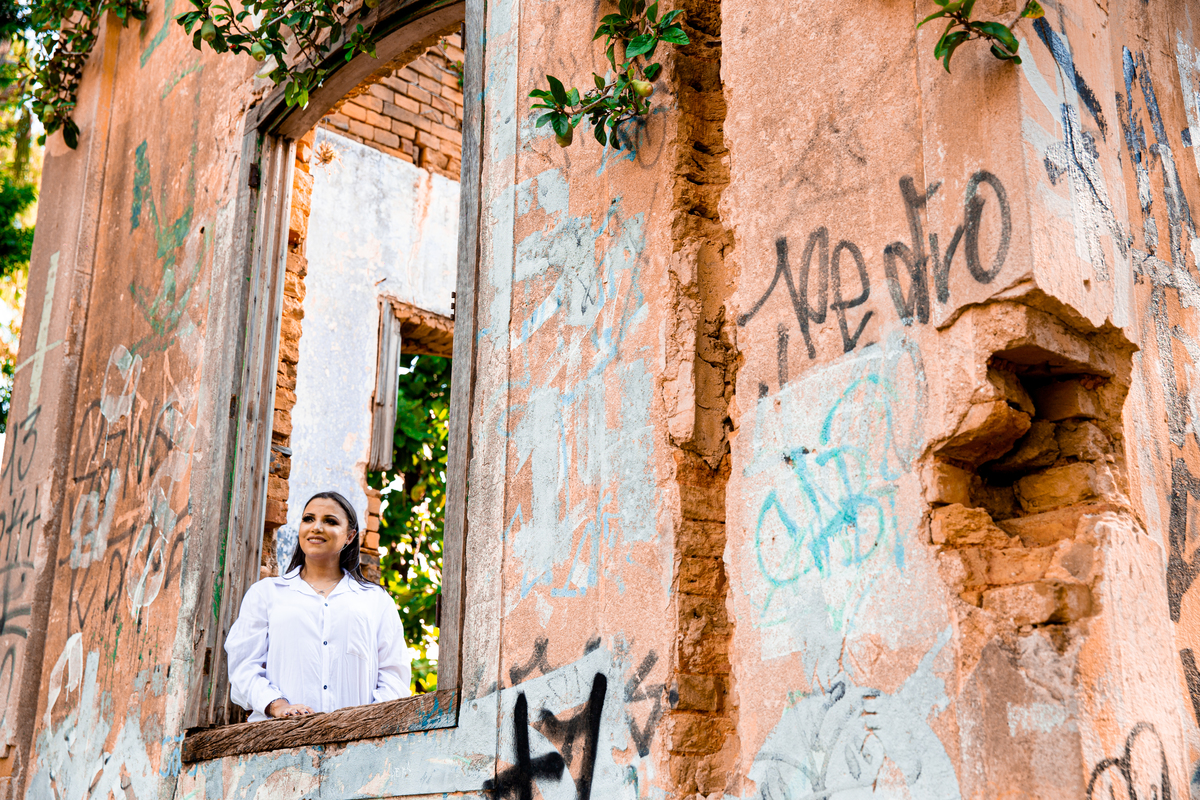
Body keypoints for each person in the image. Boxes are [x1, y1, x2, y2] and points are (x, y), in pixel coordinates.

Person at [225, 490, 411, 720]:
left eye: (330, 521)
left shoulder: (375, 601)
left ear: (350, 536)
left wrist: (365, 723)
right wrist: (277, 705)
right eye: (308, 519)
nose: (316, 527)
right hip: (278, 740)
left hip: (358, 745)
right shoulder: (266, 594)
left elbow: (395, 676)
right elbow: (243, 666)